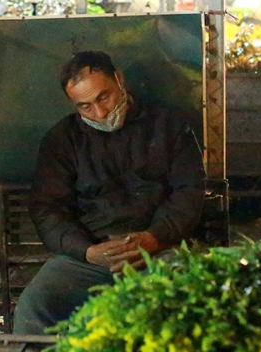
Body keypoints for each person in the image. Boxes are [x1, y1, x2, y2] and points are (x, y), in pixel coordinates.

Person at [13, 50, 206, 335]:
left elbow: (189, 192)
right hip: (91, 258)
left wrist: (155, 237)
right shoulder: (62, 140)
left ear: (119, 79)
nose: (100, 113)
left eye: (104, 97)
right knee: (36, 305)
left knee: (184, 300)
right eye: (85, 106)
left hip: (162, 251)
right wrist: (88, 251)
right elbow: (47, 209)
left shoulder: (169, 127)